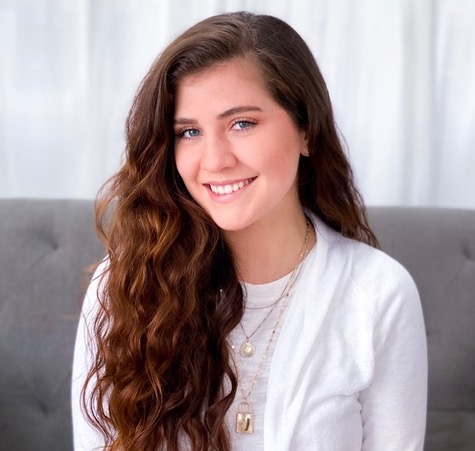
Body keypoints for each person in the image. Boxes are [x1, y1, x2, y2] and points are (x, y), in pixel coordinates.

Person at [72, 11, 427, 451]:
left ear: (306, 131)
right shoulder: (125, 285)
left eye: (242, 123)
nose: (215, 160)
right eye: (189, 132)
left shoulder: (378, 295)